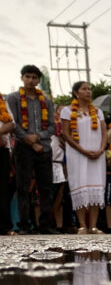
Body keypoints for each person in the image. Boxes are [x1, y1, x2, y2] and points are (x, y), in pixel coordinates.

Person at [6, 64, 56, 234]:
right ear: (22, 78)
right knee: (23, 187)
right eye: (27, 76)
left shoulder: (46, 100)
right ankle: (24, 225)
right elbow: (13, 124)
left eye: (34, 77)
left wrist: (38, 136)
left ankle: (45, 225)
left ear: (38, 80)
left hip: (44, 148)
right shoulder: (13, 98)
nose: (30, 80)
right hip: (23, 147)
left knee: (46, 188)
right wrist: (30, 140)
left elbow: (52, 127)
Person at [59, 81, 107, 234]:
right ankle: (82, 225)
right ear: (76, 93)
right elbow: (65, 134)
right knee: (80, 185)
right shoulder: (67, 111)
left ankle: (93, 226)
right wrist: (83, 150)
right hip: (77, 154)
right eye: (84, 89)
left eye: (89, 89)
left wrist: (101, 149)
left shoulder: (98, 112)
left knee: (95, 187)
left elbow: (105, 132)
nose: (88, 92)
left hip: (97, 154)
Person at [0, 93, 15, 235]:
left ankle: (4, 227)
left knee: (3, 189)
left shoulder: (2, 101)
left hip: (1, 149)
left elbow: (11, 123)